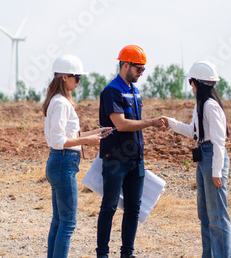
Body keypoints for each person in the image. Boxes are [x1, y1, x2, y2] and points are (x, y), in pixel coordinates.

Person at [96, 45, 167, 258]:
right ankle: (102, 254)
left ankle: (127, 253)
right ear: (125, 64)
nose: (141, 73)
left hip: (136, 159)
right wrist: (152, 122)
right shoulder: (112, 91)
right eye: (139, 69)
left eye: (143, 69)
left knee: (133, 209)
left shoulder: (134, 91)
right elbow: (121, 124)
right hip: (116, 159)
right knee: (109, 207)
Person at [160, 60, 231, 258]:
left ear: (198, 83)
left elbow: (219, 141)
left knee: (217, 216)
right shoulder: (201, 105)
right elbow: (194, 131)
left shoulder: (210, 106)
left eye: (191, 81)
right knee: (205, 215)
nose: (190, 85)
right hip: (204, 156)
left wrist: (217, 171)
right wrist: (171, 123)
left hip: (212, 157)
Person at [43, 54, 112, 258]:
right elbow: (59, 140)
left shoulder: (56, 101)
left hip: (58, 162)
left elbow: (66, 136)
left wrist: (94, 133)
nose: (79, 81)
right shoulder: (62, 103)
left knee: (59, 221)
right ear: (64, 77)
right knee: (68, 223)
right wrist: (86, 141)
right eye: (76, 77)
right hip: (63, 162)